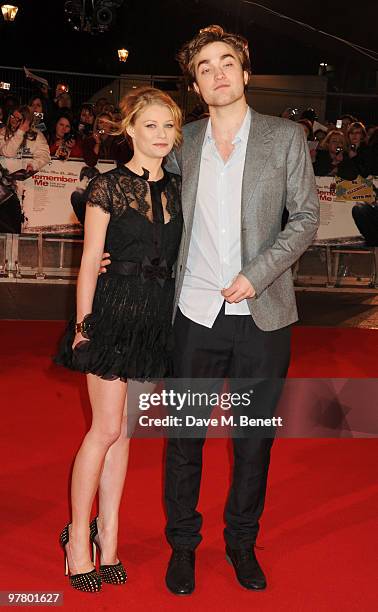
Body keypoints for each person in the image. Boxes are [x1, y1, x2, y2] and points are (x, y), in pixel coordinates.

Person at [100, 25, 319, 594]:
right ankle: (183, 547)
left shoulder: (284, 138)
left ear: (245, 73)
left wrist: (257, 272)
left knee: (253, 440)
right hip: (192, 318)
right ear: (196, 84)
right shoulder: (183, 145)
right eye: (205, 67)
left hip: (264, 318)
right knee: (185, 440)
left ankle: (242, 544)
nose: (218, 73)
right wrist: (115, 256)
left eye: (227, 63)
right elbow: (148, 198)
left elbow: (305, 218)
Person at [54, 86, 183, 592]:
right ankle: (76, 543)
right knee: (104, 429)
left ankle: (109, 541)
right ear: (129, 130)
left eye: (169, 127)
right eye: (150, 125)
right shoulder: (105, 187)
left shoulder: (179, 189)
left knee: (126, 434)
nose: (161, 135)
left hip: (156, 321)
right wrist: (84, 326)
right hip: (111, 317)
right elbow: (88, 263)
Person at [0, 104, 50, 172]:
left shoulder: (37, 135)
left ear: (27, 121)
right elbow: (8, 152)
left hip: (26, 178)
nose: (13, 120)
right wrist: (20, 132)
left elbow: (44, 155)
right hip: (6, 177)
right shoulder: (3, 132)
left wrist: (33, 165)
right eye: (12, 116)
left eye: (18, 118)